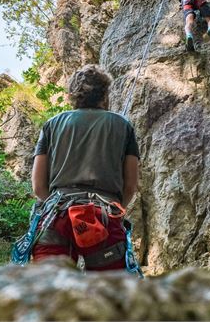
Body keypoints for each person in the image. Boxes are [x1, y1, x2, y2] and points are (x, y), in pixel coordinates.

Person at [30, 64, 140, 271]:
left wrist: (56, 204)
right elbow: (130, 186)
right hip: (104, 215)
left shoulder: (52, 124)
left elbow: (38, 186)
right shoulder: (123, 126)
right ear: (105, 93)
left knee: (49, 292)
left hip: (56, 215)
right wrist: (116, 208)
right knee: (107, 292)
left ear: (72, 94)